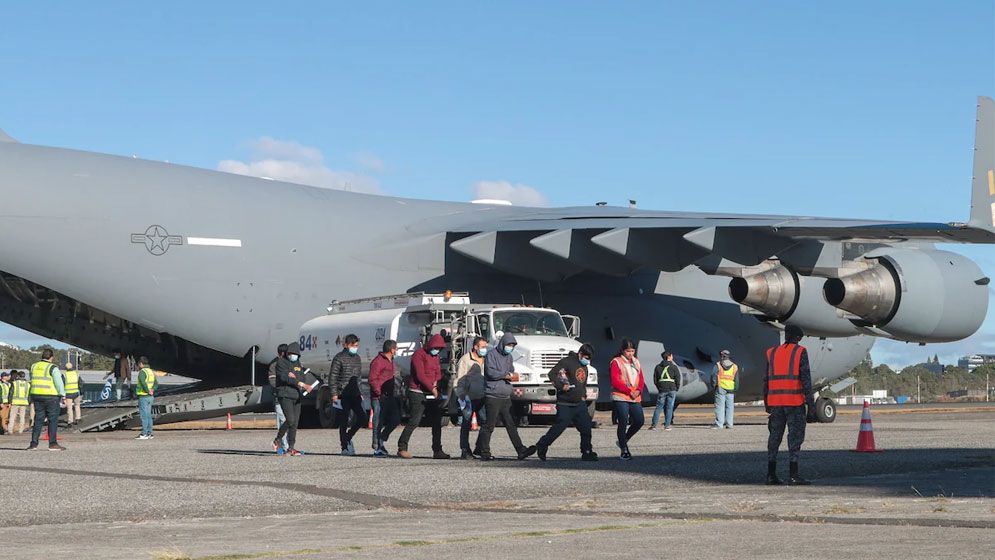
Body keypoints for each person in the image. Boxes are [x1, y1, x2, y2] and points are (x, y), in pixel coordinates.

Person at [764, 325, 815, 485]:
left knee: (774, 438)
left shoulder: (772, 353)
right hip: (794, 402)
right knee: (795, 438)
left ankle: (771, 475)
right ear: (798, 338)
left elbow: (766, 379)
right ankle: (793, 475)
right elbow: (805, 379)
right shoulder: (800, 352)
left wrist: (766, 401)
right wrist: (811, 404)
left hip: (775, 403)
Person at [476, 333, 536, 461]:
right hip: (493, 395)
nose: (510, 347)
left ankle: (521, 450)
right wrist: (505, 375)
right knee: (489, 425)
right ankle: (484, 452)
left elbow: (511, 370)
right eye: (509, 345)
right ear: (503, 343)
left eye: (512, 345)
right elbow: (490, 372)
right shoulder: (491, 354)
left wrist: (513, 375)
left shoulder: (509, 357)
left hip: (505, 395)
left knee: (511, 424)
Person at [533, 343, 598, 461]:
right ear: (581, 354)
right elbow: (552, 374)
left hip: (579, 403)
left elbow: (582, 382)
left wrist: (583, 395)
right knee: (558, 428)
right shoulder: (567, 362)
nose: (587, 361)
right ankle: (542, 445)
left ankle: (587, 451)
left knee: (586, 427)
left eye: (589, 359)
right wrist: (561, 386)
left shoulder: (584, 366)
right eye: (586, 358)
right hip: (565, 403)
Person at [396, 334, 450, 459]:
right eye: (435, 347)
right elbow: (420, 375)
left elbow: (437, 372)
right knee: (415, 420)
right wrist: (432, 389)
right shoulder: (418, 354)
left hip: (431, 392)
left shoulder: (435, 356)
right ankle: (402, 447)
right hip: (417, 391)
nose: (437, 350)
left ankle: (437, 450)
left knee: (437, 422)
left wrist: (435, 385)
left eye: (439, 348)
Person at [329, 334, 365, 456]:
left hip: (354, 394)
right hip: (341, 395)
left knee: (362, 417)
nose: (356, 347)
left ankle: (348, 436)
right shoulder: (338, 358)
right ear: (347, 345)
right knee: (343, 421)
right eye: (354, 345)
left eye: (357, 345)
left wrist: (360, 392)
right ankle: (344, 446)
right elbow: (332, 377)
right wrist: (334, 394)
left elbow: (358, 378)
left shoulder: (357, 358)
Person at [610, 339, 645, 460]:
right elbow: (615, 381)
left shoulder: (636, 361)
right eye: (628, 351)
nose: (630, 353)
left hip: (635, 396)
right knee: (623, 421)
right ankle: (624, 449)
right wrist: (630, 391)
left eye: (632, 351)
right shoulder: (616, 362)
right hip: (621, 396)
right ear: (623, 351)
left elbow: (641, 378)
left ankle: (623, 440)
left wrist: (639, 390)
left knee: (639, 420)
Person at [455, 336, 488, 459]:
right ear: (475, 347)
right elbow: (459, 378)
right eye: (483, 347)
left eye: (486, 347)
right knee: (466, 422)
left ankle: (480, 447)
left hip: (483, 395)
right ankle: (465, 449)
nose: (485, 349)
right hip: (468, 396)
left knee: (486, 422)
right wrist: (461, 396)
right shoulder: (465, 360)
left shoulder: (486, 359)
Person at [28, 348, 66, 451]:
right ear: (51, 357)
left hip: (36, 395)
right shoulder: (53, 367)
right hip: (50, 396)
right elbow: (59, 383)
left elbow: (31, 379)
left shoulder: (34, 366)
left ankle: (33, 444)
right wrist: (63, 395)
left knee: (38, 420)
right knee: (52, 420)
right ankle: (52, 444)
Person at [274, 342, 308, 456]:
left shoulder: (298, 363)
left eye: (295, 354)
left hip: (297, 395)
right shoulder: (281, 362)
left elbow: (302, 376)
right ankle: (278, 439)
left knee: (295, 423)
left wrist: (295, 377)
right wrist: (298, 381)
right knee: (290, 419)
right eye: (290, 353)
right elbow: (284, 378)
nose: (292, 356)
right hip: (285, 395)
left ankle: (291, 447)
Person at [368, 339, 399, 457]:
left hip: (389, 395)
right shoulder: (378, 362)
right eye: (396, 348)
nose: (397, 350)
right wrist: (378, 393)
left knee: (396, 419)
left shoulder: (391, 360)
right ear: (391, 350)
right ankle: (377, 447)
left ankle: (381, 438)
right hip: (379, 397)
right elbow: (372, 379)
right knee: (378, 421)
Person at [649, 351, 681, 430]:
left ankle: (653, 425)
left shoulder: (657, 367)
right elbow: (678, 378)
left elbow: (655, 380)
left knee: (659, 407)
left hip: (662, 389)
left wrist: (659, 387)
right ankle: (667, 425)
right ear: (669, 357)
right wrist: (676, 387)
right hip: (672, 388)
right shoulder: (674, 367)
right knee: (669, 407)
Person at [267, 343, 289, 450]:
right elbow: (272, 381)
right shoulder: (274, 365)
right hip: (279, 397)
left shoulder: (290, 364)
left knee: (289, 421)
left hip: (289, 397)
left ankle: (287, 444)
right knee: (282, 420)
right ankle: (284, 445)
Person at [711, 349, 739, 429]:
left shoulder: (718, 365)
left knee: (720, 406)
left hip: (720, 388)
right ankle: (729, 424)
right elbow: (736, 380)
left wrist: (714, 386)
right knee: (730, 407)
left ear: (722, 356)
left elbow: (713, 376)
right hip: (730, 388)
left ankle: (719, 424)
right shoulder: (734, 366)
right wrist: (735, 389)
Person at [134, 356, 158, 440]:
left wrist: (147, 391)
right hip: (150, 397)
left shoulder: (142, 372)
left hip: (143, 396)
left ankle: (144, 433)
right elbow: (156, 384)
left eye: (138, 364)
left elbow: (143, 383)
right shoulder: (151, 371)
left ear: (141, 363)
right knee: (148, 415)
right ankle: (150, 433)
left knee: (144, 416)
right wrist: (152, 390)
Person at [63, 362, 82, 430]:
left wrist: (62, 396)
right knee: (77, 405)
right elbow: (80, 383)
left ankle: (70, 421)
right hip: (76, 392)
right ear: (72, 367)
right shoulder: (76, 374)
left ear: (65, 368)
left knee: (69, 408)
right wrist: (81, 392)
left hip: (68, 393)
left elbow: (62, 385)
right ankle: (78, 418)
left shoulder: (64, 375)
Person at [0, 371, 11, 435]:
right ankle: (4, 429)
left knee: (6, 417)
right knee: (2, 417)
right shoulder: (0, 384)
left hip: (7, 403)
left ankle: (4, 429)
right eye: (6, 376)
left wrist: (9, 402)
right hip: (2, 403)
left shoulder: (9, 384)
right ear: (3, 377)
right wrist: (1, 402)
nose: (8, 377)